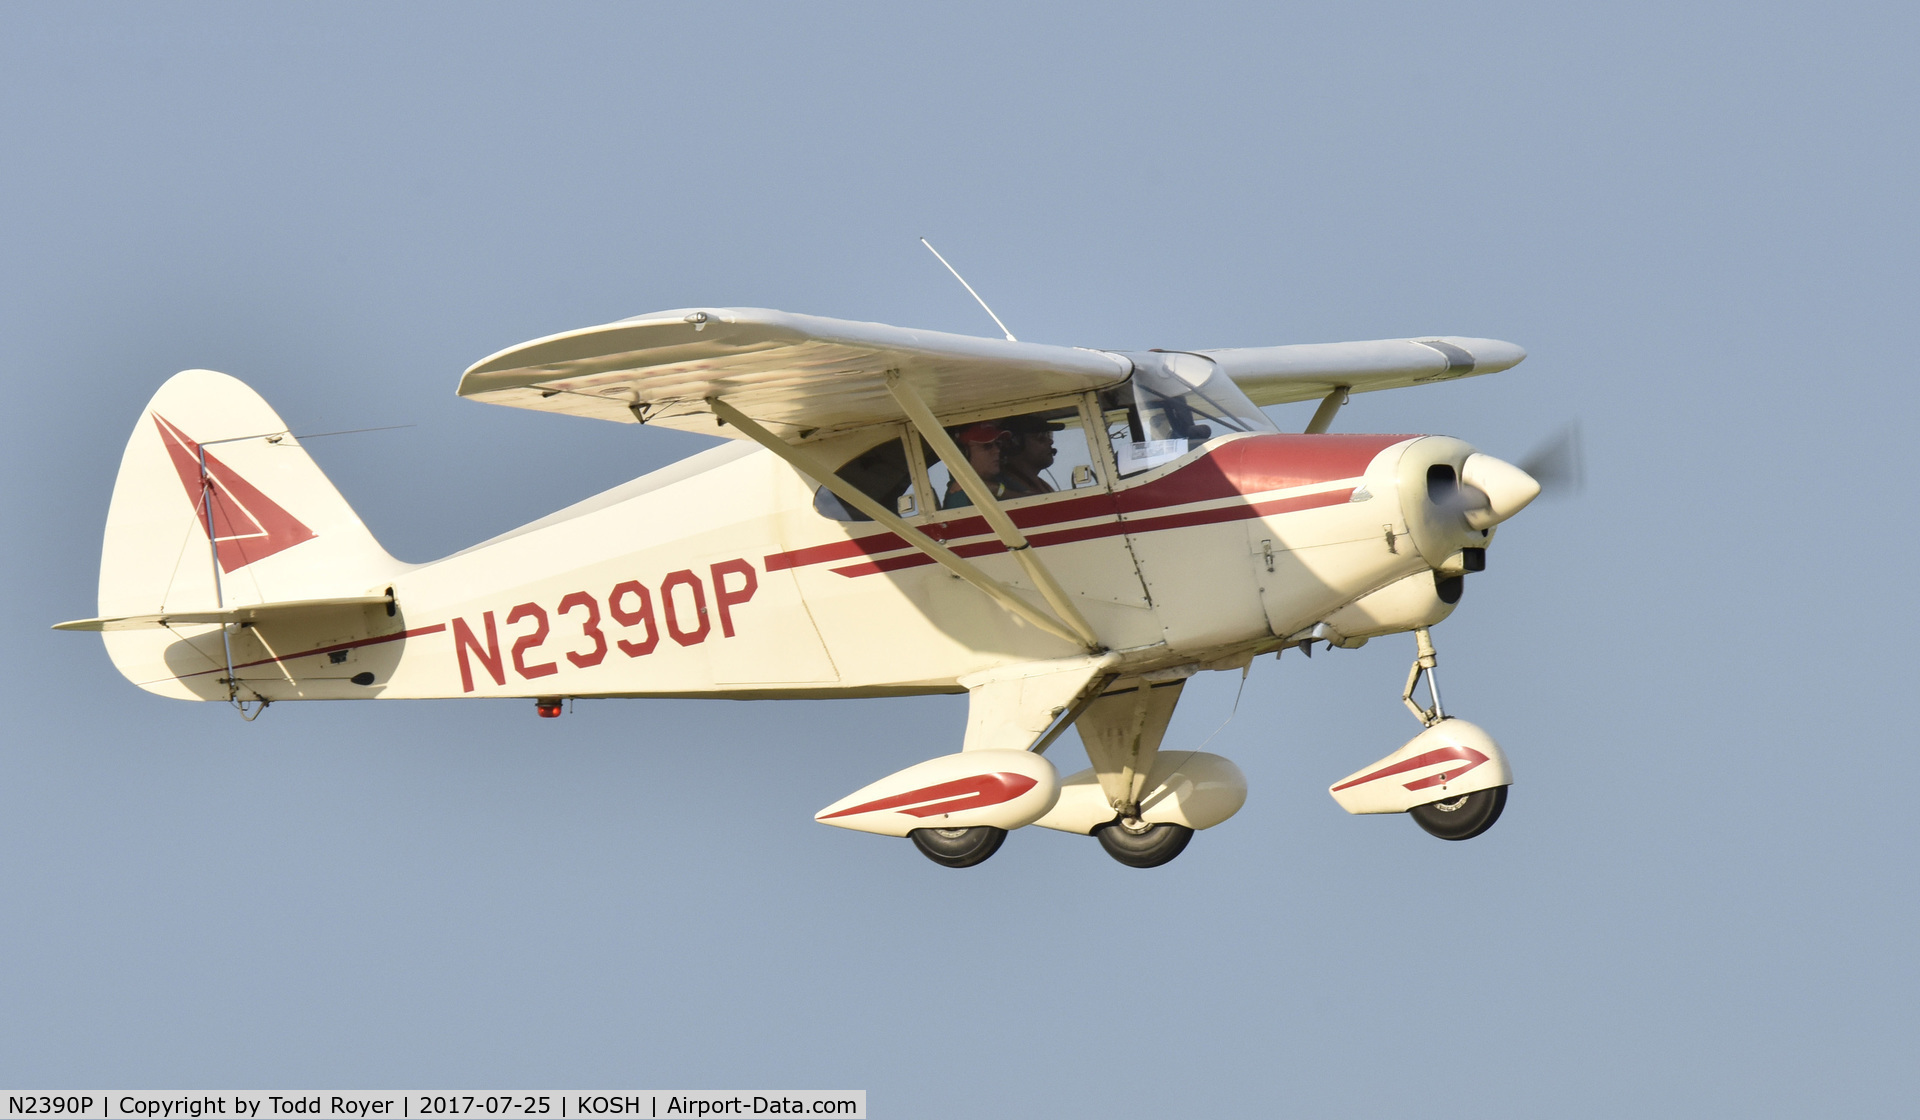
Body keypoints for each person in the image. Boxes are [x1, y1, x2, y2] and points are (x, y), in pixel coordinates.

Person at [941, 422, 1006, 509]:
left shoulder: (999, 478)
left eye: (998, 443)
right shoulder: (959, 496)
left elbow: (1028, 496)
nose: (997, 450)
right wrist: (997, 490)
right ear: (963, 454)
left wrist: (997, 489)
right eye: (987, 446)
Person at [998, 415, 1063, 498]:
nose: (1050, 441)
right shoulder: (1002, 485)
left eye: (1049, 435)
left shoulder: (1042, 484)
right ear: (1014, 443)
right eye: (1041, 437)